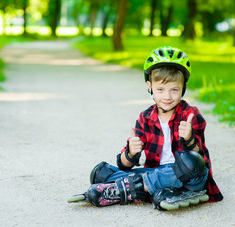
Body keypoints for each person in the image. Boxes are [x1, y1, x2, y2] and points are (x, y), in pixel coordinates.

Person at [69, 46, 223, 210]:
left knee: (189, 164)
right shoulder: (145, 118)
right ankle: (141, 189)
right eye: (160, 89)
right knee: (100, 173)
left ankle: (125, 189)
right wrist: (130, 152)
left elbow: (200, 162)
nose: (167, 96)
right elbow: (124, 165)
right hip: (154, 174)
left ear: (184, 87)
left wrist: (190, 140)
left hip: (184, 176)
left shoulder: (191, 114)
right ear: (150, 86)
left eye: (174, 90)